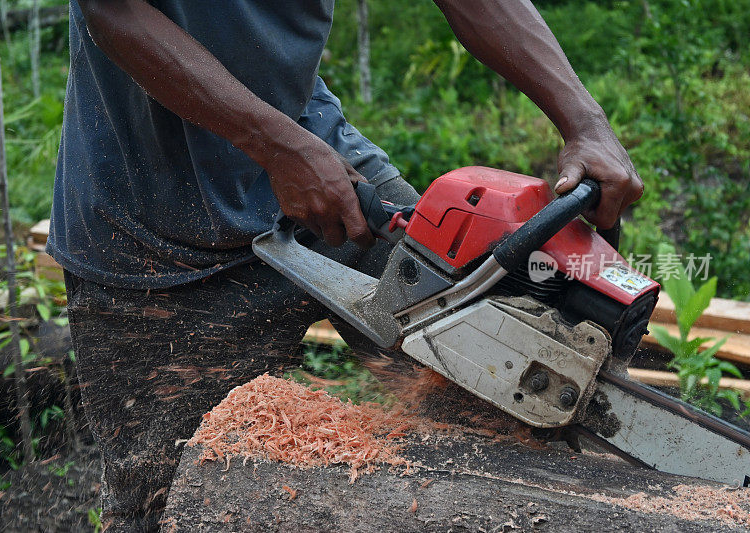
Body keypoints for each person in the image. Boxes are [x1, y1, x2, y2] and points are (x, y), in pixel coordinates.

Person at [48, 0, 644, 530]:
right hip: (147, 216)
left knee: (504, 385)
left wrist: (584, 123)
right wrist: (277, 149)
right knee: (157, 499)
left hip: (316, 146)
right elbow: (113, 11)